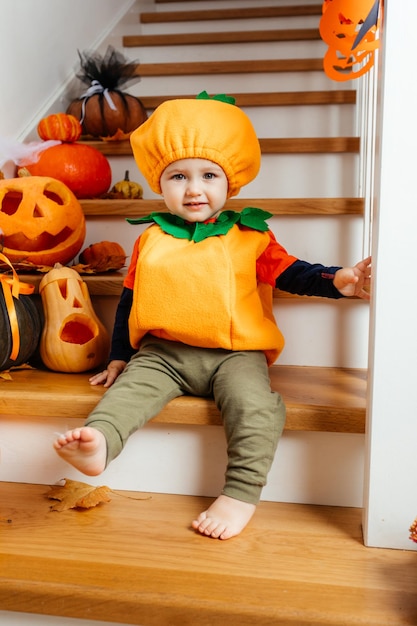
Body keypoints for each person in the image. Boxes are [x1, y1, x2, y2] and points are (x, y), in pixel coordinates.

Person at [54, 92, 371, 540]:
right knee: (128, 393)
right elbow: (128, 300)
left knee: (255, 406)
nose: (194, 188)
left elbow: (293, 274)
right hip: (163, 353)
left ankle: (240, 493)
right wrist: (119, 356)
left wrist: (338, 279)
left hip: (236, 355)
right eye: (178, 176)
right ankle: (100, 442)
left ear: (231, 183)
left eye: (208, 175)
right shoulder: (152, 239)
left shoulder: (251, 235)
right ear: (159, 184)